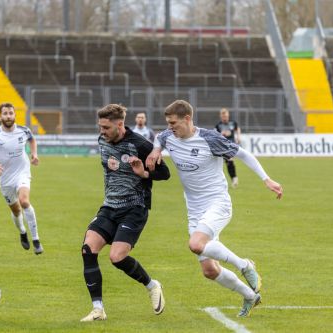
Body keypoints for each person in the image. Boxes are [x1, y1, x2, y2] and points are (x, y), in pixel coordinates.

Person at [146, 100, 282, 317]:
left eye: (174, 123)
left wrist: (267, 179)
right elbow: (159, 138)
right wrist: (155, 150)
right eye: (168, 123)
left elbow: (243, 154)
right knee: (209, 270)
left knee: (195, 244)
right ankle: (250, 296)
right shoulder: (168, 136)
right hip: (194, 210)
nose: (170, 127)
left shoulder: (210, 139)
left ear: (188, 119)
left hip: (218, 203)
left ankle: (245, 265)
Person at [80, 104, 170, 322]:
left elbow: (165, 173)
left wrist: (144, 172)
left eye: (106, 127)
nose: (101, 131)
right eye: (100, 126)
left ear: (119, 124)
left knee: (116, 257)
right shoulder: (102, 140)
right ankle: (98, 309)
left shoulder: (139, 144)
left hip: (134, 208)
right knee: (88, 249)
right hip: (110, 206)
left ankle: (152, 285)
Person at [0, 102, 44, 255]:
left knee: (24, 201)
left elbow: (32, 139)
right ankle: (22, 231)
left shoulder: (24, 130)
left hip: (22, 173)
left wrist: (34, 155)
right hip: (6, 179)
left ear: (15, 115)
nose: (8, 116)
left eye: (11, 113)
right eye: (5, 114)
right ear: (0, 116)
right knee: (16, 211)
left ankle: (36, 240)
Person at [215, 108, 241, 188]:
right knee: (221, 164)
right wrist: (221, 134)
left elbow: (238, 128)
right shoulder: (218, 125)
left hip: (230, 146)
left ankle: (234, 178)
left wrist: (238, 137)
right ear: (221, 116)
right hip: (221, 147)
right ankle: (232, 179)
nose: (224, 118)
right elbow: (215, 136)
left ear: (228, 115)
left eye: (226, 116)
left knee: (229, 161)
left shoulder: (233, 123)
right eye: (223, 117)